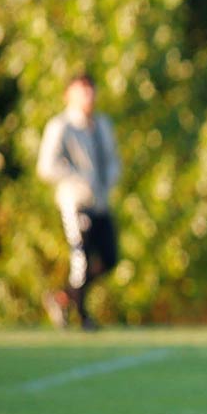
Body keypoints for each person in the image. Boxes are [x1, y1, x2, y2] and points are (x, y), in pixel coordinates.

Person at [37, 72, 122, 330]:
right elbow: (46, 166)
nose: (87, 95)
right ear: (68, 95)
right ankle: (83, 316)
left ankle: (62, 297)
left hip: (100, 202)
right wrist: (77, 179)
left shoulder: (102, 124)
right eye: (81, 90)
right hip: (75, 203)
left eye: (90, 89)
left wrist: (109, 178)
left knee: (109, 258)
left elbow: (111, 158)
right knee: (81, 258)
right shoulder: (61, 126)